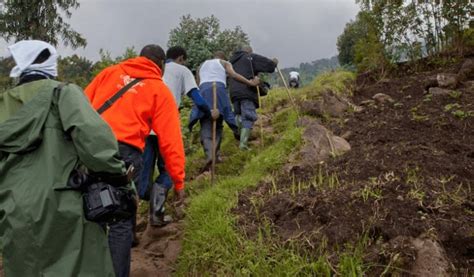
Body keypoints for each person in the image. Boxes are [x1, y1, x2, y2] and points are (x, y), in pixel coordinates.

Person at [0, 40, 125, 276]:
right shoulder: (63, 94)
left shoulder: (3, 105)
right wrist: (119, 176)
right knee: (82, 266)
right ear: (48, 62)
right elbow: (94, 140)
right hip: (65, 202)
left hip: (13, 207)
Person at [85, 44, 186, 277]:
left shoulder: (109, 73)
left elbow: (80, 106)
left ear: (139, 58)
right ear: (160, 65)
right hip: (125, 153)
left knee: (92, 212)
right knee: (121, 221)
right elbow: (171, 142)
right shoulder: (159, 90)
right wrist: (178, 182)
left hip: (90, 147)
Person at [139, 46, 210, 226]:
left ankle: (130, 222)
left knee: (142, 173)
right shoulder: (182, 70)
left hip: (144, 127)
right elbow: (197, 98)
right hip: (165, 126)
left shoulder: (149, 69)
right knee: (169, 169)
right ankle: (156, 214)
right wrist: (210, 112)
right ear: (181, 58)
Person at [189, 51, 259, 169]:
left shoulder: (201, 65)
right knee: (219, 122)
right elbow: (234, 75)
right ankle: (216, 154)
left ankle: (210, 155)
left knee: (205, 121)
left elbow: (197, 84)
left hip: (204, 91)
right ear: (223, 57)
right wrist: (250, 83)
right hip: (219, 90)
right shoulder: (224, 63)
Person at [228, 45, 278, 150]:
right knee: (248, 116)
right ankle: (243, 145)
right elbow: (267, 65)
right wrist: (273, 63)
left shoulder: (231, 61)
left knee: (238, 113)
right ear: (249, 51)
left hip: (234, 93)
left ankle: (238, 134)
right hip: (247, 91)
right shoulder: (250, 57)